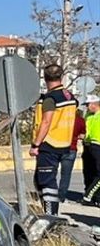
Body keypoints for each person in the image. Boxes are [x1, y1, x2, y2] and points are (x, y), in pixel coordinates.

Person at [30, 64, 80, 216]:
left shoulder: (50, 99)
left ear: (45, 79)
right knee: (39, 179)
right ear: (61, 77)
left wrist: (36, 144)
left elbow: (46, 122)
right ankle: (48, 212)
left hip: (49, 144)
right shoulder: (69, 97)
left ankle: (51, 217)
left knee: (47, 182)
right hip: (64, 144)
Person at [61, 94, 87, 200]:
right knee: (65, 175)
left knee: (51, 173)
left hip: (57, 147)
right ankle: (61, 196)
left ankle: (50, 195)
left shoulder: (59, 118)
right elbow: (82, 135)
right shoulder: (80, 120)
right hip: (71, 149)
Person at [82, 94, 100, 205]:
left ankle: (89, 196)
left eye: (88, 104)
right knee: (89, 172)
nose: (87, 107)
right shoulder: (88, 115)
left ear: (94, 104)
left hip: (98, 145)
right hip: (89, 146)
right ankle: (93, 198)